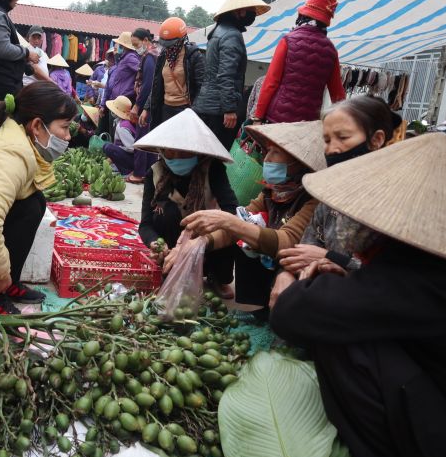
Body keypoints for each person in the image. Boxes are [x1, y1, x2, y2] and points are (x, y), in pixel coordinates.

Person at [270, 133, 446, 457]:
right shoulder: (431, 268)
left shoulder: (427, 278)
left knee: (348, 345)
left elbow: (293, 314)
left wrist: (303, 282)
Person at [0, 82, 78, 314]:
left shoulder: (18, 139)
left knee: (33, 202)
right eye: (65, 127)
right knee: (27, 209)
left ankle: (9, 285)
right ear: (37, 126)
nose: (68, 136)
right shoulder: (13, 153)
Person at [178, 121, 325, 311]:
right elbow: (242, 220)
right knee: (245, 235)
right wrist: (201, 242)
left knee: (249, 233)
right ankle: (257, 307)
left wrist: (228, 220)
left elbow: (287, 240)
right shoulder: (272, 192)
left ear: (299, 162)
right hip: (275, 264)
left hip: (300, 271)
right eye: (267, 152)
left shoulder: (314, 199)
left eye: (275, 153)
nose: (266, 159)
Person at [271, 96, 402, 306]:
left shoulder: (397, 199)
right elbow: (306, 245)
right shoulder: (330, 199)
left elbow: (401, 281)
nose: (332, 149)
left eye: (342, 137)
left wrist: (332, 257)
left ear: (376, 140)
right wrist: (285, 274)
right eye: (327, 140)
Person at [134, 108, 237, 298]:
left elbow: (231, 210)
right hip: (172, 239)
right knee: (167, 211)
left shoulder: (212, 169)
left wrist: (203, 234)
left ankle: (216, 277)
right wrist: (156, 243)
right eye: (169, 152)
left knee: (227, 224)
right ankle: (171, 265)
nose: (175, 157)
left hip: (205, 239)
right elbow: (146, 224)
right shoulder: (155, 173)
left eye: (183, 153)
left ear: (196, 152)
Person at [192, 0, 270, 150]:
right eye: (251, 11)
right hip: (218, 110)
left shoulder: (217, 32)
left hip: (207, 105)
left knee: (207, 159)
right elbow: (226, 75)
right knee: (216, 160)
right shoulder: (232, 35)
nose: (253, 15)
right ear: (240, 12)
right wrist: (229, 109)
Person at [252, 0, 346, 124]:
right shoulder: (331, 50)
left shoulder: (288, 41)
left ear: (303, 16)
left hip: (277, 120)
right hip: (307, 123)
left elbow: (270, 83)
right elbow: (338, 94)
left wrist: (258, 116)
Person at [140, 17, 205, 131]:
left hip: (185, 110)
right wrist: (146, 108)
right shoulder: (163, 56)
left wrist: (195, 112)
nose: (168, 47)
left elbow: (202, 87)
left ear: (182, 39)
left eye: (171, 44)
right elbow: (156, 85)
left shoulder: (194, 56)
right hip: (165, 109)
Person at [102, 95, 155, 180]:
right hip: (135, 159)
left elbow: (132, 148)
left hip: (134, 160)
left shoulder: (122, 127)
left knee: (108, 147)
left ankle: (126, 171)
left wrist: (117, 150)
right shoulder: (125, 122)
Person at [100, 32, 141, 125]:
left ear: (123, 45)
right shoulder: (122, 58)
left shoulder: (130, 57)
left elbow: (141, 70)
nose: (116, 46)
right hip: (117, 100)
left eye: (118, 44)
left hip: (124, 100)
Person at [128, 28, 158, 131]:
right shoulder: (150, 54)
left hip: (146, 105)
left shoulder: (150, 56)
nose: (136, 48)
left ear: (145, 40)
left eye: (136, 45)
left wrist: (137, 106)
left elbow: (148, 84)